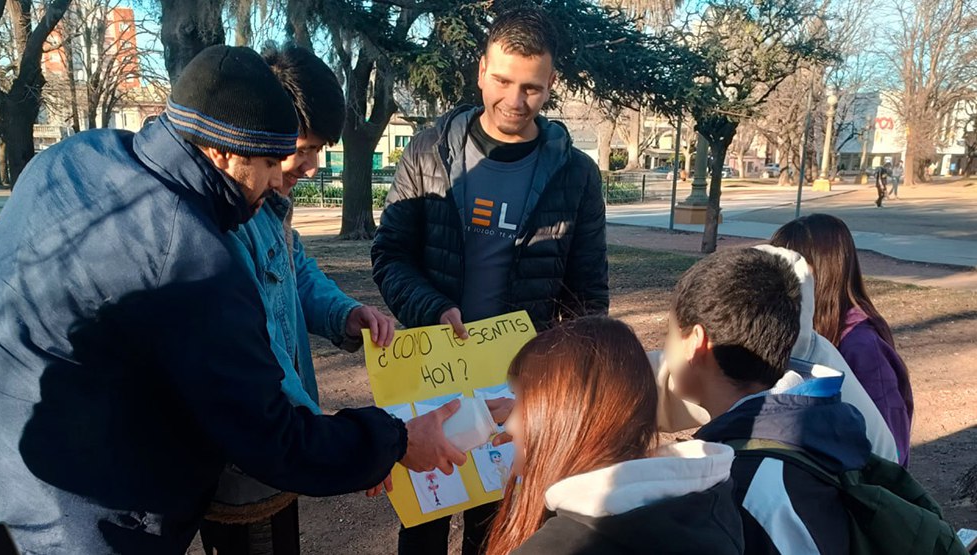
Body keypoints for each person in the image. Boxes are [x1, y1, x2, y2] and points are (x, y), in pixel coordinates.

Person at [0, 45, 465, 555]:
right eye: (275, 159)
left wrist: (340, 313)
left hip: (0, 480)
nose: (282, 179)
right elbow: (271, 434)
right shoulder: (193, 257)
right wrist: (394, 442)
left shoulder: (76, 156)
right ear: (225, 151)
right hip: (79, 517)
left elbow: (288, 268)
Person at [372, 7, 608, 554]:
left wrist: (559, 390)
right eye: (502, 80)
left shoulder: (577, 175)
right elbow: (390, 255)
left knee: (500, 536)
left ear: (551, 85)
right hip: (431, 381)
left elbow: (587, 297)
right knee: (424, 532)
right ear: (481, 70)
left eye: (532, 87)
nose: (514, 100)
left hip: (519, 387)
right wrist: (431, 306)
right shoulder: (428, 150)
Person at [197, 44, 398, 555]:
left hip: (282, 443)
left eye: (318, 151)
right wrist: (351, 449)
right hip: (246, 455)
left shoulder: (270, 199)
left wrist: (345, 314)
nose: (309, 166)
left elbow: (296, 273)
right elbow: (259, 352)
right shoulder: (225, 220)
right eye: (301, 149)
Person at [664, 247, 871, 554]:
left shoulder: (750, 489)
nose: (665, 351)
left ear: (696, 342)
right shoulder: (820, 425)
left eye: (666, 334)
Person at [484, 316, 743, 555]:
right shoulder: (711, 508)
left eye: (522, 401)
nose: (511, 425)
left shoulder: (557, 547)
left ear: (567, 418)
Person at [771, 214, 914, 466]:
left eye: (785, 270)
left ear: (818, 273)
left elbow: (891, 451)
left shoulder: (863, 346)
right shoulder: (800, 334)